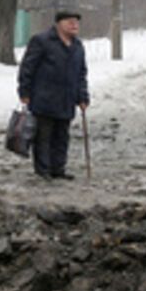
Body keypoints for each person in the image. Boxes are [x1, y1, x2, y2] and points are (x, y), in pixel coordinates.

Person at [17, 10, 90, 181]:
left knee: (62, 136)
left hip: (66, 99)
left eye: (76, 22)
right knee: (43, 136)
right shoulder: (42, 41)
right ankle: (43, 170)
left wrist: (82, 97)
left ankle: (58, 169)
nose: (74, 25)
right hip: (44, 98)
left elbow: (81, 74)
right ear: (59, 24)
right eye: (70, 21)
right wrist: (24, 91)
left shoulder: (77, 46)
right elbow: (27, 68)